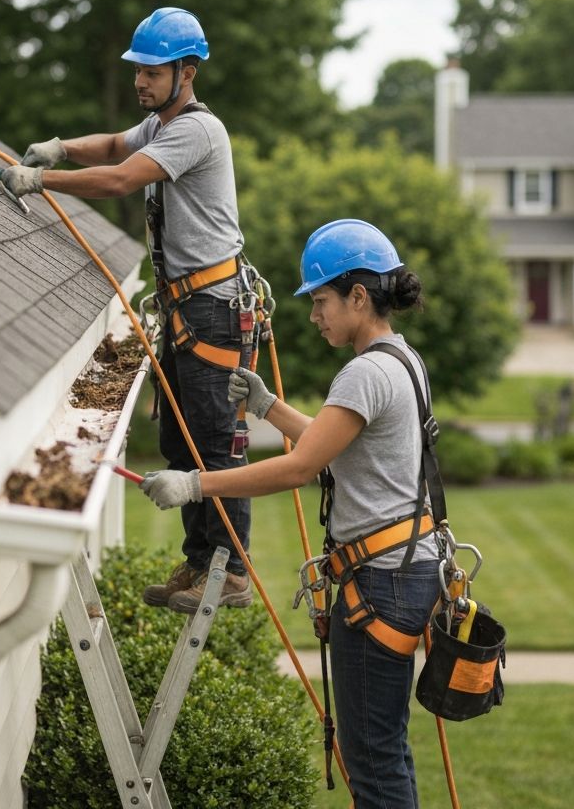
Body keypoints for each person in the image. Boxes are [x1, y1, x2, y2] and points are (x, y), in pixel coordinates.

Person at [141, 218, 443, 809]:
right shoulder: (401, 361)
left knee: (372, 763)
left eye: (323, 300)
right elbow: (331, 449)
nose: (314, 315)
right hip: (403, 574)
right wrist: (269, 407)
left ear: (360, 296)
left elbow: (299, 469)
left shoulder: (365, 372)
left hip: (381, 583)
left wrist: (195, 483)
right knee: (384, 750)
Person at [0, 7, 253, 611]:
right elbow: (113, 145)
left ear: (186, 72)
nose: (140, 80)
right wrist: (59, 148)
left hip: (212, 308)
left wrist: (41, 183)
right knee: (179, 440)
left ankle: (232, 570)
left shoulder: (195, 130)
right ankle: (200, 563)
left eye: (152, 71)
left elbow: (119, 178)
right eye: (137, 69)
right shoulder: (162, 124)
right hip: (188, 307)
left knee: (214, 442)